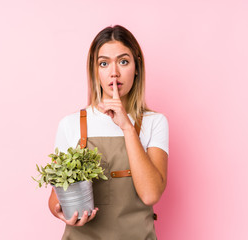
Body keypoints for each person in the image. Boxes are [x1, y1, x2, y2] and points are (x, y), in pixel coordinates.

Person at [48, 25, 169, 240]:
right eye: (104, 63)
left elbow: (150, 194)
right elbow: (55, 198)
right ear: (95, 71)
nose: (114, 72)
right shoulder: (70, 124)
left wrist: (127, 127)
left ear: (137, 66)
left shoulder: (154, 123)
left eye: (123, 61)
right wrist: (59, 210)